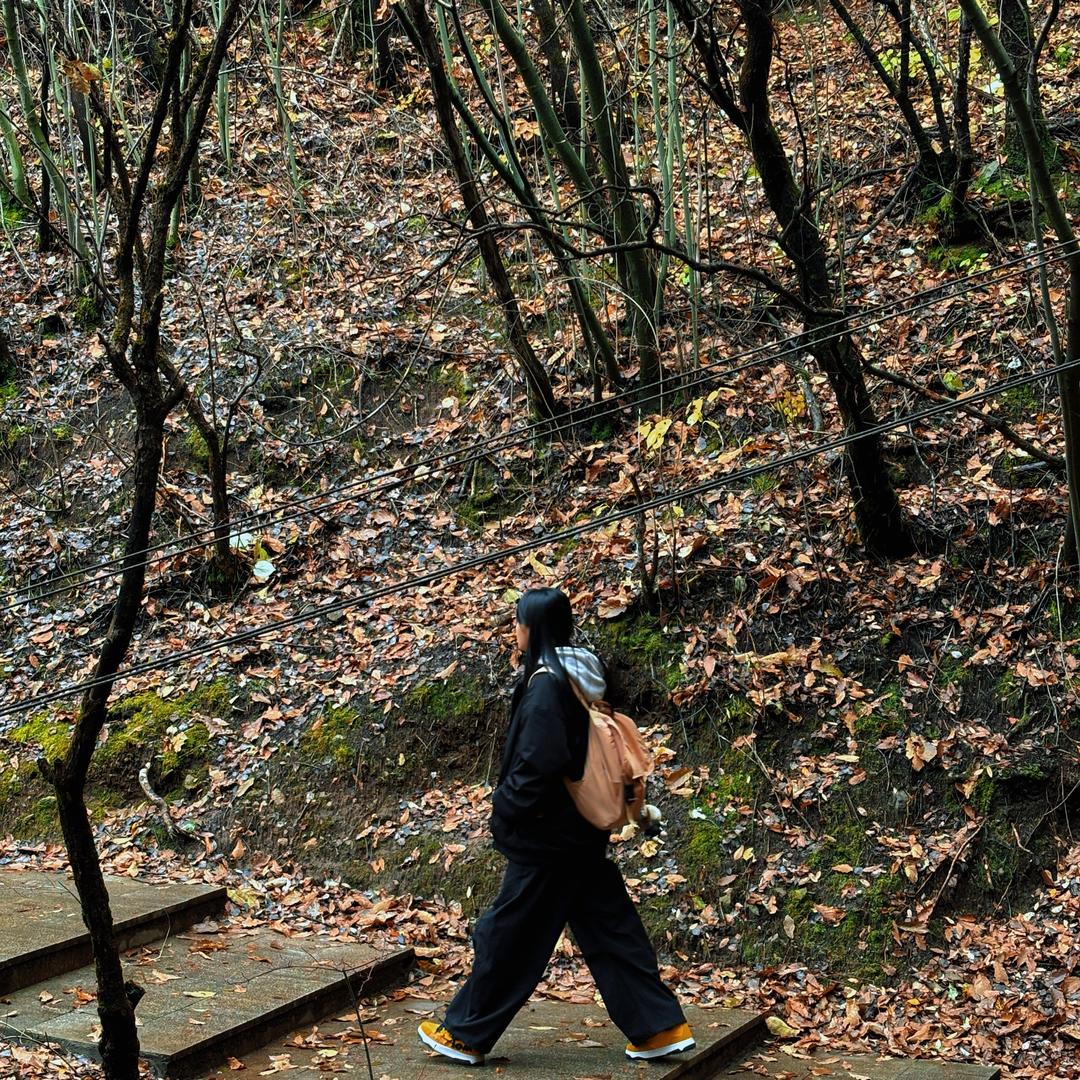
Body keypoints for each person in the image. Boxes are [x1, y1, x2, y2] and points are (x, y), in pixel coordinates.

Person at [418, 587, 693, 1066]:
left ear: (534, 628)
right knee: (611, 927)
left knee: (509, 935)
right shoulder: (582, 671)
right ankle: (659, 1027)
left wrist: (505, 807)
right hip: (580, 831)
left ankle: (465, 1033)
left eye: (517, 623)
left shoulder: (547, 682)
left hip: (548, 837)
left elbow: (540, 760)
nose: (514, 631)